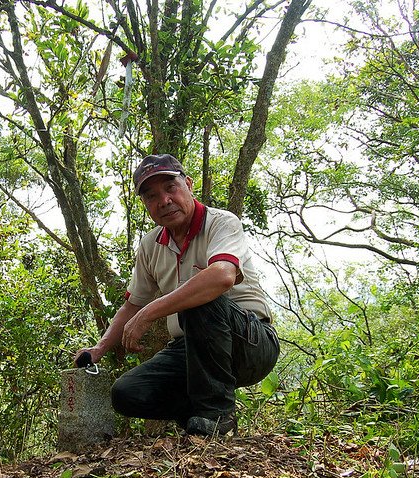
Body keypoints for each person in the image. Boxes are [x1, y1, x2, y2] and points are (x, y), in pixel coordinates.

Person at [75, 153, 279, 437]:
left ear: (189, 185)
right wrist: (100, 348)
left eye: (171, 188)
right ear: (146, 204)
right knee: (127, 393)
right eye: (151, 196)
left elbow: (222, 275)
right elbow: (133, 303)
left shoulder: (221, 222)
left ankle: (216, 416)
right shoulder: (150, 245)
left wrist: (150, 312)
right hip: (190, 348)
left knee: (198, 297)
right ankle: (197, 416)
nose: (164, 200)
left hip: (250, 342)